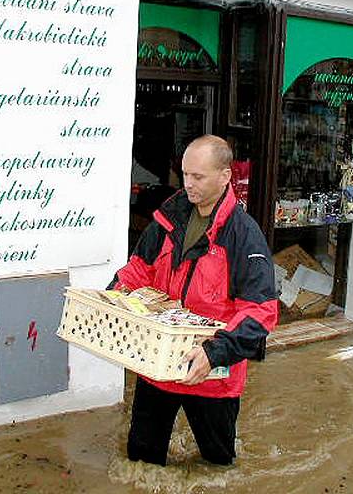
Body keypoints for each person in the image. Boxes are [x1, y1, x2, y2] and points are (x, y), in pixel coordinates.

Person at [110, 135, 278, 466]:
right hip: (157, 366)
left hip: (212, 376)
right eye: (185, 174)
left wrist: (214, 353)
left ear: (225, 175)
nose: (188, 184)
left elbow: (260, 313)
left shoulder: (244, 234)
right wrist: (113, 297)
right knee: (141, 461)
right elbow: (137, 271)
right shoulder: (167, 219)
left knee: (216, 465)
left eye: (198, 176)